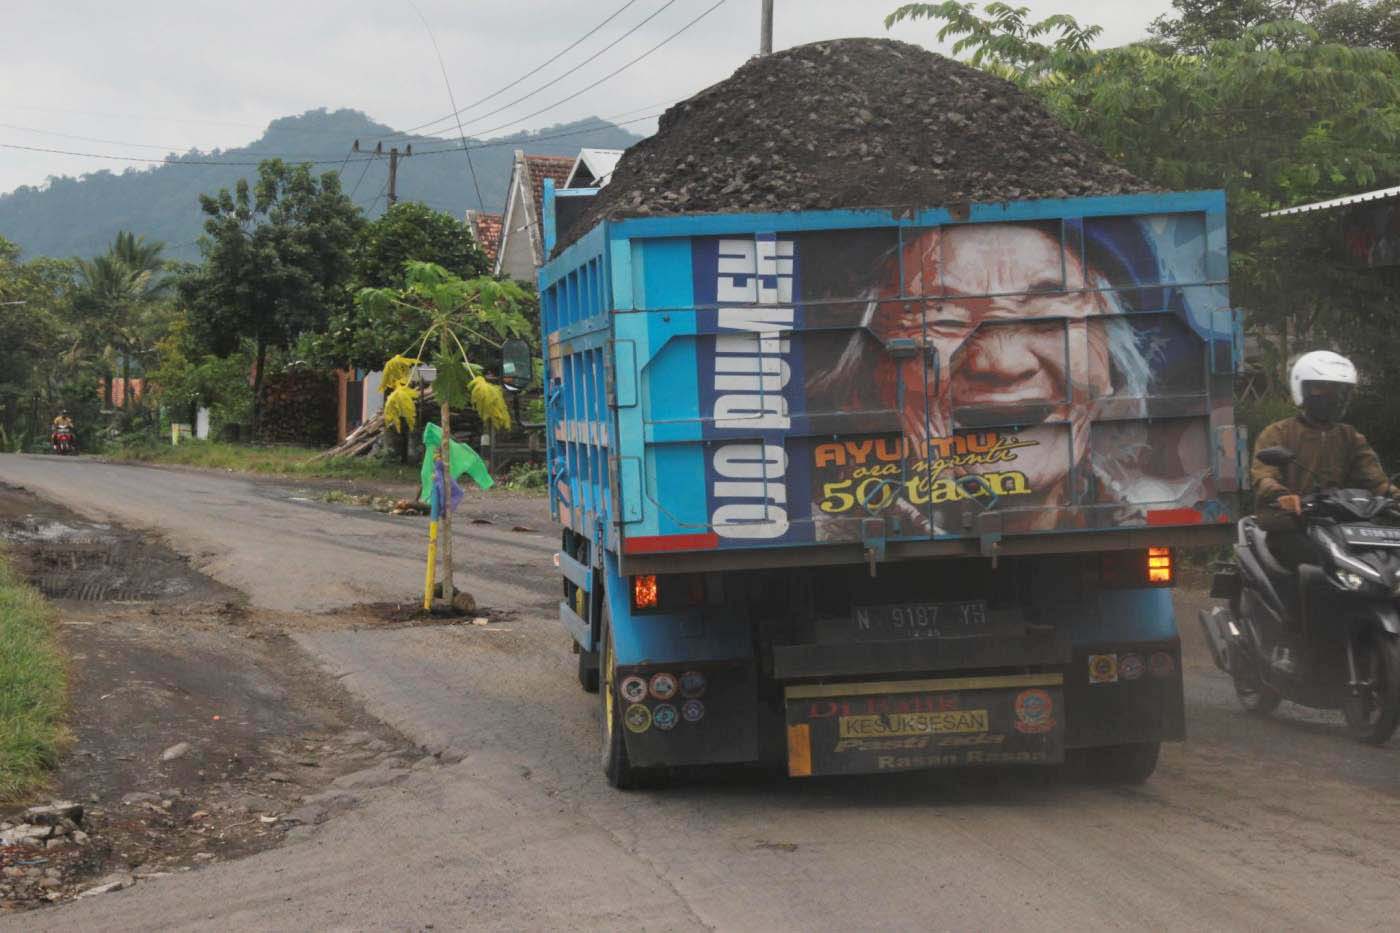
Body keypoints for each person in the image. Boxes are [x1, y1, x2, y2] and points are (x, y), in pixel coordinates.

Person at [809, 218, 1212, 539]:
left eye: (1048, 316)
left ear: (1109, 368)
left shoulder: (1134, 522)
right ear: (860, 384)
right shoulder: (821, 534)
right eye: (941, 318)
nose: (1003, 363)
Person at [1250, 350, 1395, 674]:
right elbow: (1263, 473)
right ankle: (1291, 642)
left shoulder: (1350, 437)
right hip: (1289, 527)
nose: (1329, 397)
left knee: (1380, 568)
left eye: (1337, 391)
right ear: (1303, 389)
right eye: (1321, 389)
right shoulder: (1279, 433)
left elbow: (1376, 481)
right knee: (1313, 571)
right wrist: (1282, 495)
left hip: (1340, 529)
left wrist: (1393, 496)